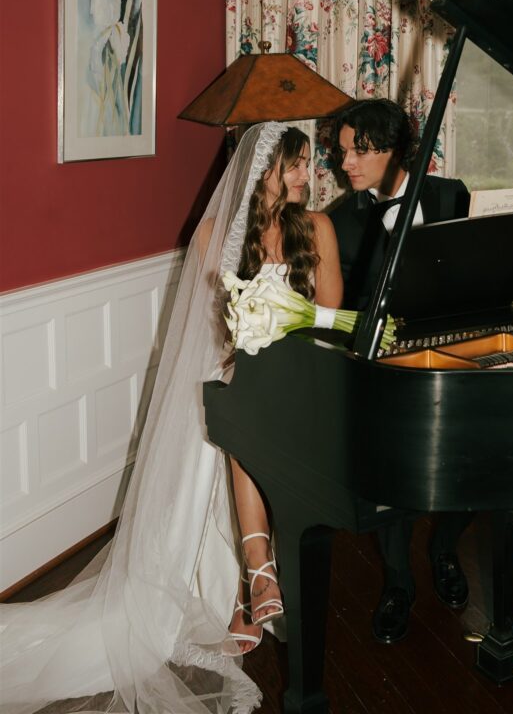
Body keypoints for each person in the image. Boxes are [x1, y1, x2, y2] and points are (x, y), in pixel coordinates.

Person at [0, 122, 343, 714]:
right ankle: (247, 582)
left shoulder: (319, 227)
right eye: (292, 164)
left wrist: (286, 331)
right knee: (243, 422)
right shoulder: (216, 233)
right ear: (260, 170)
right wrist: (251, 349)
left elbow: (333, 315)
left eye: (307, 163)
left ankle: (253, 581)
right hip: (241, 374)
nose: (304, 177)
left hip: (305, 374)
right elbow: (213, 328)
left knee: (257, 426)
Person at [330, 98, 472, 645]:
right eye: (343, 152)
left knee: (474, 460)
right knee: (390, 476)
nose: (346, 164)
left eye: (359, 151)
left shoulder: (453, 196)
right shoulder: (342, 222)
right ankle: (397, 582)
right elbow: (343, 311)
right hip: (387, 367)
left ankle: (443, 550)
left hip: (456, 355)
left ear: (396, 152)